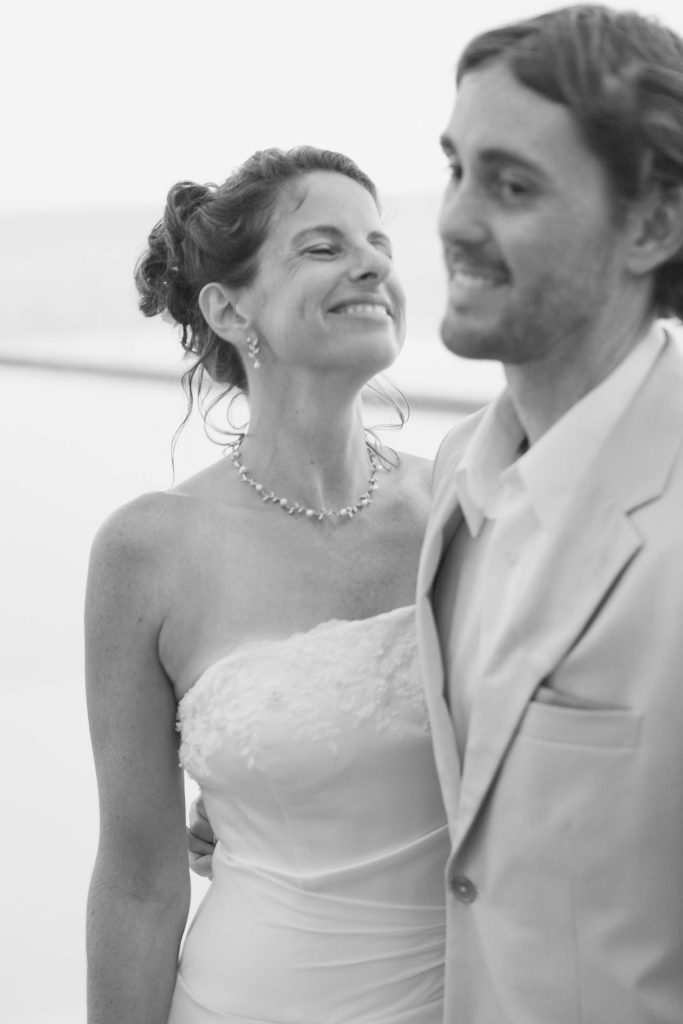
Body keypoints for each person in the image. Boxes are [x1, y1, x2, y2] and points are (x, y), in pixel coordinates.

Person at [84, 146, 449, 1024]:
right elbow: (138, 884)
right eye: (322, 247)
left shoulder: (465, 509)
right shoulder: (148, 551)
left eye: (378, 243)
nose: (371, 264)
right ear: (229, 307)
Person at [415, 5, 683, 1023]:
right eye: (454, 168)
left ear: (651, 224)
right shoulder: (451, 474)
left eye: (510, 185)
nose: (450, 220)